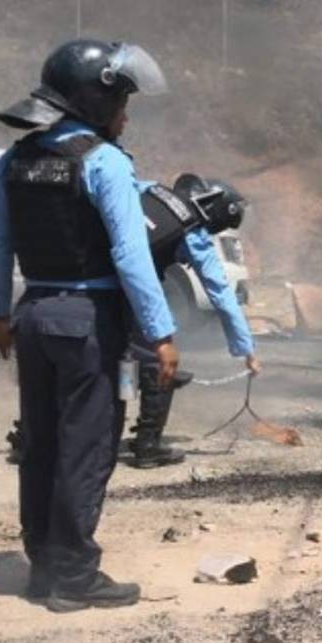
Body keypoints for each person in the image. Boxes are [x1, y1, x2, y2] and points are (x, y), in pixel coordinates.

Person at [0, 38, 177, 612]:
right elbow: (130, 255)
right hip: (88, 322)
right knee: (86, 449)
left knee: (40, 444)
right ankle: (74, 575)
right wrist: (161, 333)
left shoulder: (15, 160)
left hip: (33, 319)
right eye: (123, 105)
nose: (125, 117)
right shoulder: (104, 162)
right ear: (95, 101)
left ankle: (43, 566)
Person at [127, 173, 260, 468]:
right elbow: (222, 295)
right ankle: (148, 444)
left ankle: (30, 435)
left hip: (91, 276)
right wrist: (246, 349)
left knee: (96, 357)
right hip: (131, 289)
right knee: (158, 358)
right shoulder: (192, 233)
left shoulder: (149, 189)